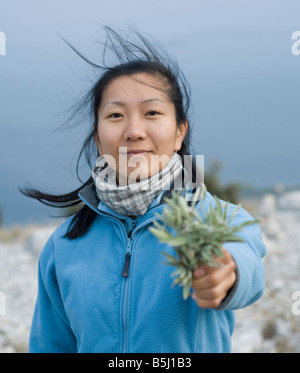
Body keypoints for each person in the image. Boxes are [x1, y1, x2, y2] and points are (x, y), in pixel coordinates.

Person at [23, 27, 266, 353]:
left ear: (180, 133)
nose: (134, 131)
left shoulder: (220, 219)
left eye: (152, 112)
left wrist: (226, 274)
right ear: (97, 138)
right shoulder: (63, 244)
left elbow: (247, 264)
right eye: (115, 115)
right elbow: (50, 345)